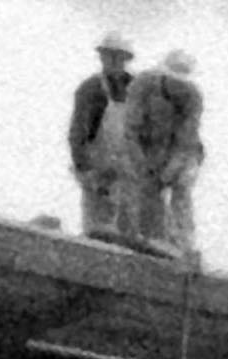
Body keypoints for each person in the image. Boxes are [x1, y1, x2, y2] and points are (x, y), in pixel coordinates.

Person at [67, 31, 142, 243]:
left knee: (130, 232)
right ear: (101, 57)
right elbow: (78, 133)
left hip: (129, 173)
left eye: (118, 56)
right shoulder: (91, 89)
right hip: (98, 172)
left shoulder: (139, 90)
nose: (112, 61)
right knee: (98, 229)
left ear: (126, 59)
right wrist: (85, 169)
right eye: (108, 55)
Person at [133, 48, 206, 258]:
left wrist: (168, 172)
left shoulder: (194, 97)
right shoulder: (147, 90)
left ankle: (183, 246)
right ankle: (152, 237)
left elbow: (186, 139)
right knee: (148, 192)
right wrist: (145, 162)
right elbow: (135, 128)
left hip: (187, 153)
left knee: (181, 190)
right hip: (155, 149)